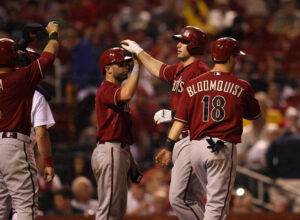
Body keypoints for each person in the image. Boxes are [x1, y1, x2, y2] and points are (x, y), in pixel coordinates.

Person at [155, 37, 261, 220]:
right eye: (235, 57)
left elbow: (179, 120)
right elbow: (254, 115)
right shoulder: (242, 85)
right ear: (230, 59)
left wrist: (168, 147)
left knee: (196, 199)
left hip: (195, 149)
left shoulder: (193, 84)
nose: (236, 60)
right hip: (220, 147)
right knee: (216, 205)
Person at [121, 26, 209, 220]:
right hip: (183, 137)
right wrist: (139, 52)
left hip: (194, 138)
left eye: (183, 42)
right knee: (191, 198)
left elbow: (204, 111)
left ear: (194, 45)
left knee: (177, 198)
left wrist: (173, 114)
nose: (178, 45)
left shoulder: (201, 71)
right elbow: (159, 70)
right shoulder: (181, 69)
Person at [0, 21, 59, 220]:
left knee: (1, 209)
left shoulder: (17, 76)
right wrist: (53, 34)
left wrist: (22, 43)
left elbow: (12, 61)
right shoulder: (22, 78)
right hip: (13, 145)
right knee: (26, 208)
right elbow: (49, 55)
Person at [91, 47, 142, 220]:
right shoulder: (106, 88)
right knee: (109, 211)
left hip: (118, 149)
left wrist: (131, 160)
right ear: (108, 68)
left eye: (127, 63)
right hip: (110, 149)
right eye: (121, 64)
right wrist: (137, 66)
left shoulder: (113, 89)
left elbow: (121, 130)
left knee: (117, 212)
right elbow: (127, 94)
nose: (126, 67)